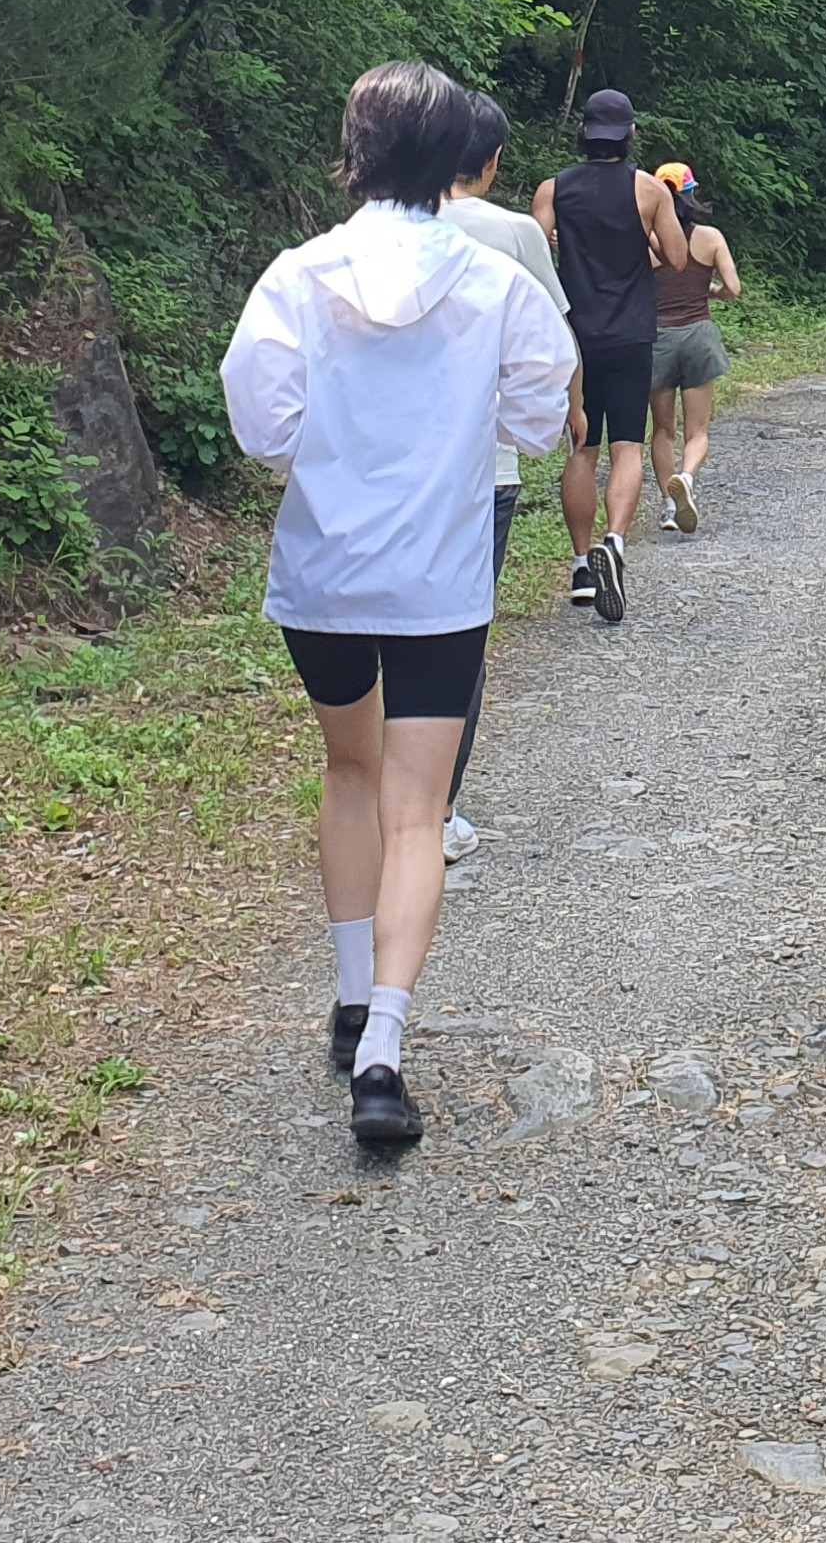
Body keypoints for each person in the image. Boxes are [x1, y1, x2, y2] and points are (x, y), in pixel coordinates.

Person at [221, 62, 580, 1150]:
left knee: (348, 769)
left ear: (359, 146)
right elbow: (538, 416)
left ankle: (342, 994)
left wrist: (323, 458)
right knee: (418, 811)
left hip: (324, 568)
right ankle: (383, 1045)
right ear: (453, 152)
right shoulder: (497, 284)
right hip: (438, 577)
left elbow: (257, 419)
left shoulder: (299, 271)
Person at [440, 91, 569, 862]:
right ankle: (437, 808)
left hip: (382, 476)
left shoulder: (366, 238)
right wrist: (567, 418)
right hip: (482, 468)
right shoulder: (514, 232)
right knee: (457, 640)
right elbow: (551, 343)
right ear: (491, 163)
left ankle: (378, 796)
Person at [533, 86, 688, 623]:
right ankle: (615, 544)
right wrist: (640, 243)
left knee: (581, 447)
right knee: (627, 447)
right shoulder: (648, 191)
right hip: (630, 334)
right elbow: (677, 255)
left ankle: (580, 566)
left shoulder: (553, 189)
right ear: (629, 134)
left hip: (574, 339)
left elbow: (534, 253)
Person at [645, 163, 745, 532]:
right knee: (697, 431)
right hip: (699, 336)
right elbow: (733, 288)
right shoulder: (710, 237)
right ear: (691, 193)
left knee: (662, 431)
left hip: (658, 338)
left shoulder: (648, 241)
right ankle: (686, 478)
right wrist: (713, 293)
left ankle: (669, 507)